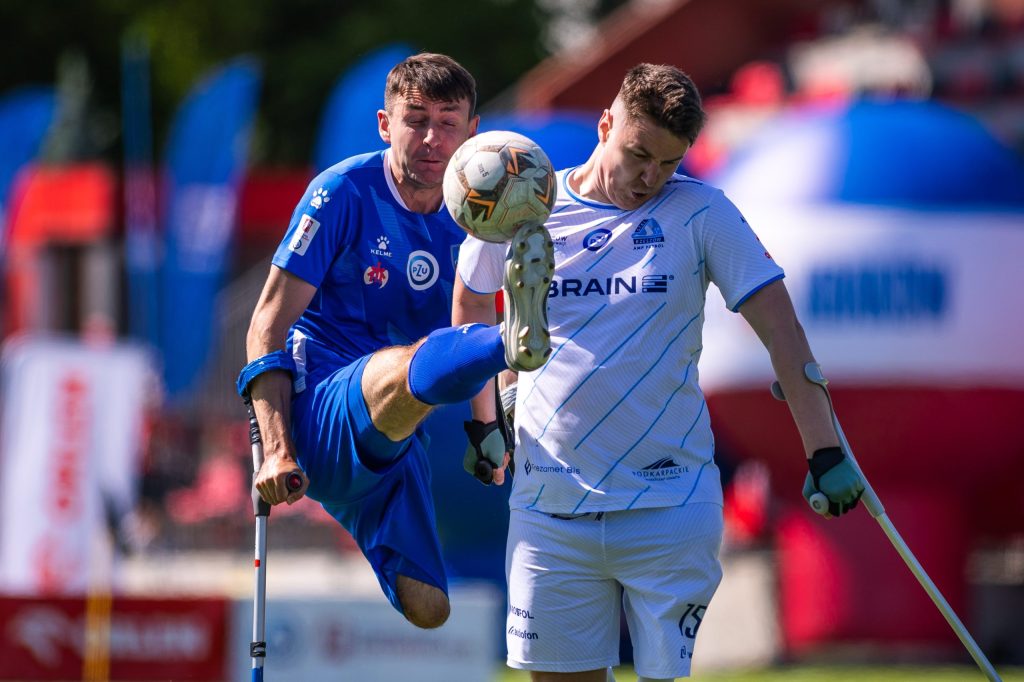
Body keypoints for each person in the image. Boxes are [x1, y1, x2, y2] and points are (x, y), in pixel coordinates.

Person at [452, 63, 864, 680]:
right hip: (548, 506)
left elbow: (782, 328)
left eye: (669, 163)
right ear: (605, 125)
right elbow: (471, 302)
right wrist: (488, 416)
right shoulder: (523, 202)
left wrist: (825, 450)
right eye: (639, 155)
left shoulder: (701, 212)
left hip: (668, 504)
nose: (650, 178)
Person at [238, 52, 553, 630]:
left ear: (472, 131)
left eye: (448, 122)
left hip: (397, 435)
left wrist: (485, 425)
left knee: (430, 610)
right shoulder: (342, 191)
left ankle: (506, 341)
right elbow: (265, 325)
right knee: (406, 365)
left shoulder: (477, 211)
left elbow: (468, 313)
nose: (433, 138)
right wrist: (278, 447)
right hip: (322, 402)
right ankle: (510, 341)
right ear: (386, 125)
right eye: (416, 120)